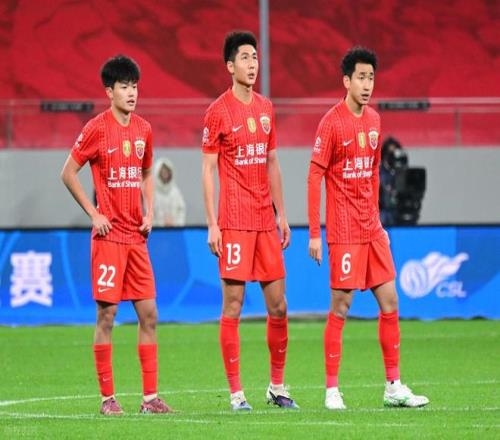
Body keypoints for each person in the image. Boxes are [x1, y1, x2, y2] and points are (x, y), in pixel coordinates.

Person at [307, 47, 429, 410]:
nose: (367, 84)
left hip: (371, 229)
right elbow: (314, 176)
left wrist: (378, 219)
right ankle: (332, 390)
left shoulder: (374, 120)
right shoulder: (331, 122)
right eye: (361, 77)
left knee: (390, 301)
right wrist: (314, 233)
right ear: (346, 81)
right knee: (341, 305)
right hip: (343, 230)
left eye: (371, 78)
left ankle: (393, 386)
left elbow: (374, 171)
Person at [61, 55, 172, 415]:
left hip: (136, 238)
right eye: (124, 87)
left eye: (135, 86)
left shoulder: (144, 129)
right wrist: (94, 214)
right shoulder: (96, 128)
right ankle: (108, 399)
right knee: (107, 316)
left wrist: (149, 211)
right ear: (109, 91)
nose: (131, 93)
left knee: (149, 314)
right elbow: (68, 173)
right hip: (109, 239)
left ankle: (150, 399)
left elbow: (146, 172)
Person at [201, 31, 298, 411]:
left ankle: (277, 386)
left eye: (255, 57)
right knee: (234, 305)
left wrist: (282, 214)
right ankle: (236, 393)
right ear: (230, 66)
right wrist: (213, 223)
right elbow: (208, 170)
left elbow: (272, 162)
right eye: (244, 57)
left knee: (279, 307)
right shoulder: (218, 111)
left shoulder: (266, 108)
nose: (252, 63)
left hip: (264, 222)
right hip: (235, 222)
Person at [153, 157, 186, 226]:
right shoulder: (153, 193)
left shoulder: (175, 192)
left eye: (166, 172)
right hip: (157, 230)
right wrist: (161, 224)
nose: (165, 174)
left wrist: (176, 224)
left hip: (174, 229)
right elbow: (149, 214)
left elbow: (181, 210)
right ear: (158, 173)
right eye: (162, 172)